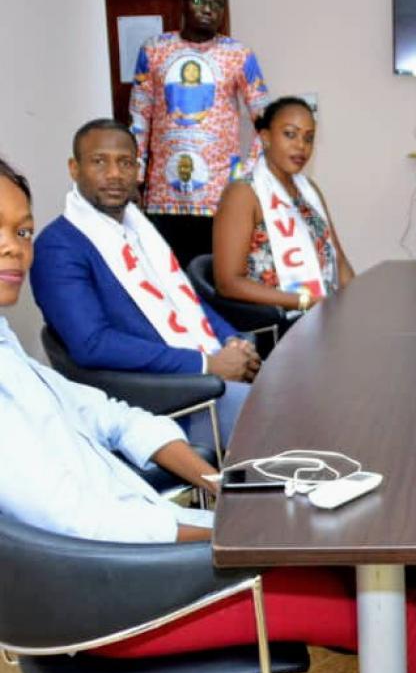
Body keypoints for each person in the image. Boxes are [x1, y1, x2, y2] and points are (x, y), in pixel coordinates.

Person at [0, 159, 416, 673]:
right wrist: (239, 539)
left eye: (23, 231)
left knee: (365, 588)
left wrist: (214, 483)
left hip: (128, 565)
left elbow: (114, 415)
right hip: (121, 595)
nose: (14, 248)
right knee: (382, 612)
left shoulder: (5, 346)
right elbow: (86, 523)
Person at [30, 119, 259, 447]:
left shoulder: (140, 230)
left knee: (297, 391)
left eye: (125, 163)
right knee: (287, 414)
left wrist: (233, 342)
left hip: (201, 376)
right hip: (165, 401)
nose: (114, 174)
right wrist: (207, 364)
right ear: (74, 168)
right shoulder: (58, 246)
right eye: (99, 161)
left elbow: (186, 301)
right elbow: (93, 344)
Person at [129, 0, 271, 266]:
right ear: (182, 4)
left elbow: (266, 121)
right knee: (168, 278)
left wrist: (248, 175)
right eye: (199, 1)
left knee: (217, 279)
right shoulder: (154, 50)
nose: (208, 9)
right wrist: (135, 178)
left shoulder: (238, 54)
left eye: (217, 5)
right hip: (164, 197)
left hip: (221, 196)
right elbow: (139, 117)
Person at [213, 97, 354, 312]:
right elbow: (228, 283)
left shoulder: (310, 190)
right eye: (290, 134)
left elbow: (339, 262)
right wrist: (305, 302)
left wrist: (356, 303)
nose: (301, 146)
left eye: (308, 138)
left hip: (325, 312)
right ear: (265, 137)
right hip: (280, 321)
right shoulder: (243, 194)